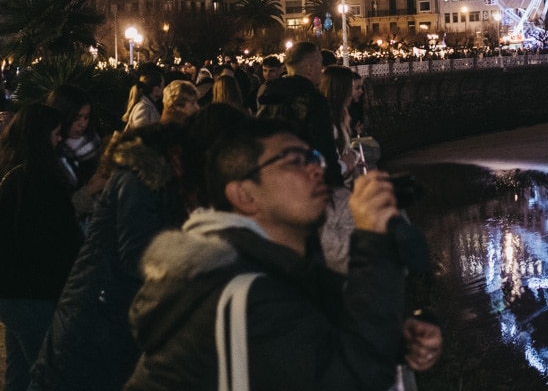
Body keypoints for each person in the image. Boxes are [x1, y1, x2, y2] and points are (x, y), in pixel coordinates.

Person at [124, 119, 442, 390]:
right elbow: (354, 378)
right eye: (293, 161)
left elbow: (312, 346)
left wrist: (396, 341)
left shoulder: (276, 267)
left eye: (313, 157)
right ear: (244, 195)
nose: (316, 169)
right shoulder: (239, 292)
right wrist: (374, 241)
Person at [30, 105, 251, 391]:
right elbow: (139, 255)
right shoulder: (143, 177)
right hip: (96, 318)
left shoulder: (187, 184)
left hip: (123, 323)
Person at [0, 104, 84, 391]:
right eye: (56, 133)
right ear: (40, 136)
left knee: (20, 372)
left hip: (13, 291)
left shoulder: (15, 172)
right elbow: (50, 239)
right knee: (48, 374)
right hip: (32, 291)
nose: (59, 140)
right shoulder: (37, 179)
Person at [256, 41, 342, 188]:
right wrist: (335, 182)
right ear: (310, 67)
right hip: (307, 182)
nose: (322, 69)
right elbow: (324, 148)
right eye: (320, 64)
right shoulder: (313, 100)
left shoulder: (269, 97)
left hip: (276, 181)